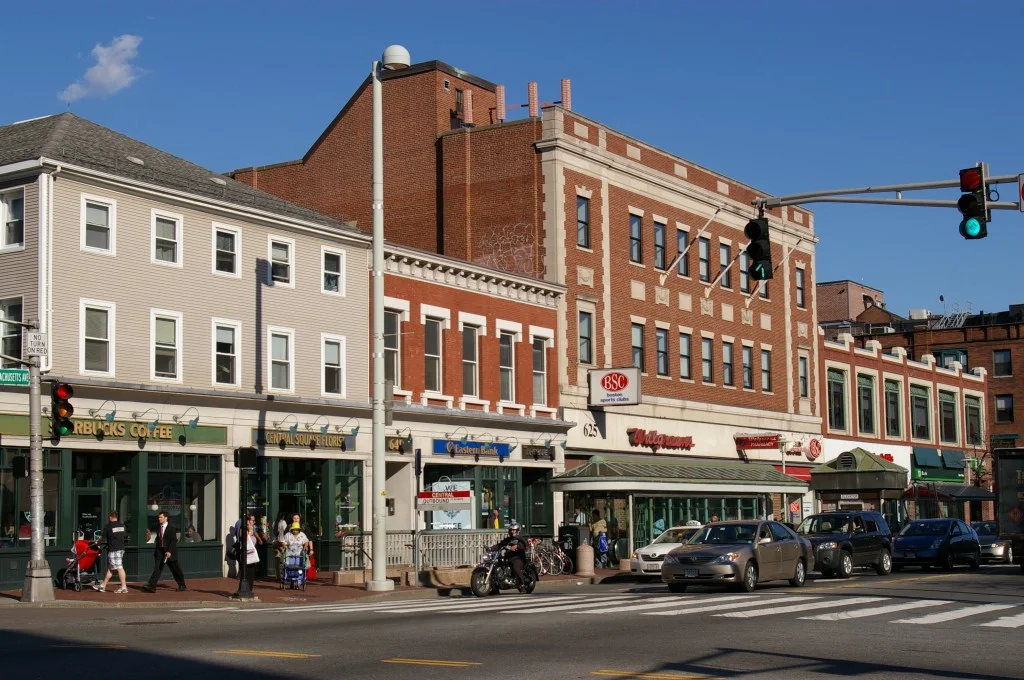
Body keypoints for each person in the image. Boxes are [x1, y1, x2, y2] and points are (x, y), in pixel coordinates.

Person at [142, 512, 186, 593]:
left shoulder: (171, 528)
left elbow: (173, 541)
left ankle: (182, 585)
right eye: (159, 517)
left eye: (161, 517)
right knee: (157, 568)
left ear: (166, 518)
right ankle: (151, 586)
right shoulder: (158, 527)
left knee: (175, 569)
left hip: (169, 552)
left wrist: (169, 551)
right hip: (160, 551)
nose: (159, 519)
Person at [92, 511, 128, 594]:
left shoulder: (108, 526)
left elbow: (102, 539)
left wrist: (97, 543)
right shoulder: (122, 525)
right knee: (110, 569)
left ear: (110, 517)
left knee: (119, 568)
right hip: (121, 548)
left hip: (114, 550)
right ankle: (103, 586)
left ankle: (124, 587)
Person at [490, 520, 529, 591]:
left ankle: (522, 585)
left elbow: (525, 544)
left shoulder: (520, 538)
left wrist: (517, 546)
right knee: (496, 567)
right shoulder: (508, 540)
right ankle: (494, 588)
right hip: (508, 558)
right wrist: (491, 548)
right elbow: (500, 545)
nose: (512, 531)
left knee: (516, 567)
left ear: (517, 530)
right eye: (511, 530)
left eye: (514, 530)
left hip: (518, 558)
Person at [241, 515, 262, 591]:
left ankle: (250, 588)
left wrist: (259, 539)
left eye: (253, 521)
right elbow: (244, 540)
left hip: (251, 554)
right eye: (252, 520)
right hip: (246, 555)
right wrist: (249, 531)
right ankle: (246, 589)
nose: (253, 522)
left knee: (251, 573)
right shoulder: (243, 530)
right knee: (247, 573)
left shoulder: (252, 530)